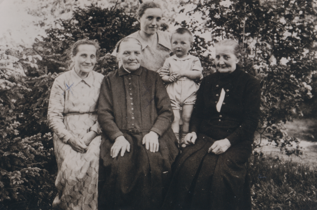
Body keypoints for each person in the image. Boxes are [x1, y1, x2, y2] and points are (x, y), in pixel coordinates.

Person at [163, 39, 261, 210]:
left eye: (226, 57)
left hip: (235, 141)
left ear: (237, 58)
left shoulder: (250, 83)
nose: (220, 62)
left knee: (219, 174)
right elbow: (198, 113)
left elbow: (250, 122)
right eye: (217, 57)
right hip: (205, 136)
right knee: (184, 165)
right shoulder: (208, 81)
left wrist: (227, 142)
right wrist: (192, 131)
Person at [98, 37, 178, 210]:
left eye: (136, 52)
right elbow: (104, 113)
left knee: (155, 164)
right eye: (126, 53)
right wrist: (117, 137)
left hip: (152, 134)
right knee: (118, 168)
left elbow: (166, 111)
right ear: (118, 55)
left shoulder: (153, 78)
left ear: (141, 54)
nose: (132, 57)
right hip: (121, 136)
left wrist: (155, 133)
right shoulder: (109, 80)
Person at [47, 39, 104, 210]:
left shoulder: (102, 80)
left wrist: (92, 133)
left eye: (92, 56)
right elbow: (53, 116)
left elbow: (107, 112)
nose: (88, 60)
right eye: (83, 55)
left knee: (93, 160)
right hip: (67, 131)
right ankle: (66, 206)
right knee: (70, 170)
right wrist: (69, 138)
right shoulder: (62, 81)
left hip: (95, 130)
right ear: (73, 57)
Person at [160, 28, 203, 146]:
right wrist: (168, 79)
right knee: (174, 118)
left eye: (183, 43)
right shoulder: (169, 60)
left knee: (187, 117)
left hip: (189, 92)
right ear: (171, 44)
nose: (178, 46)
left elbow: (198, 74)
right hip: (173, 92)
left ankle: (184, 139)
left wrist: (183, 72)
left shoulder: (193, 60)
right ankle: (174, 141)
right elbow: (162, 74)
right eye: (175, 43)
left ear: (190, 45)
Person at [113, 1, 171, 72]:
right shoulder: (126, 43)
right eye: (150, 18)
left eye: (158, 19)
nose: (154, 23)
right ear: (139, 18)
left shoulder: (170, 39)